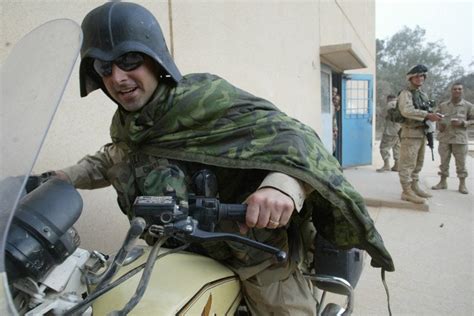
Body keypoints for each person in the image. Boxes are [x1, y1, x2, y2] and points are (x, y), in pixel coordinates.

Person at [53, 2, 394, 314]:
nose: (117, 78)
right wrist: (61, 178)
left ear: (155, 58)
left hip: (252, 255)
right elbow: (115, 157)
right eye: (104, 66)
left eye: (129, 61)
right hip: (179, 254)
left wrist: (281, 188)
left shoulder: (204, 99)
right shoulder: (129, 123)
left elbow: (300, 140)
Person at [398, 64, 442, 204]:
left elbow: (427, 109)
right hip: (410, 134)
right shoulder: (406, 93)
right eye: (416, 76)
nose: (420, 78)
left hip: (421, 133)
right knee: (407, 164)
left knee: (418, 164)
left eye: (422, 76)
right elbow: (406, 111)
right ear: (410, 78)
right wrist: (428, 115)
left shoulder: (422, 94)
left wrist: (432, 115)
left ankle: (414, 186)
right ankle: (406, 191)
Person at [431, 83, 473, 194]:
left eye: (459, 89)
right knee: (443, 162)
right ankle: (442, 182)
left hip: (460, 139)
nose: (457, 91)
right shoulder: (443, 105)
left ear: (462, 91)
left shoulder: (468, 106)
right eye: (455, 89)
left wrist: (463, 123)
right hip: (445, 138)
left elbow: (473, 120)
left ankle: (462, 184)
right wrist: (439, 125)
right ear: (451, 91)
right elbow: (435, 117)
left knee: (461, 163)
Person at [376, 94, 401, 172]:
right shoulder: (401, 104)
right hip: (400, 130)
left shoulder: (389, 104)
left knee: (383, 148)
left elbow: (383, 114)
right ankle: (397, 165)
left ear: (388, 99)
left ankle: (386, 165)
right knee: (397, 147)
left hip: (390, 131)